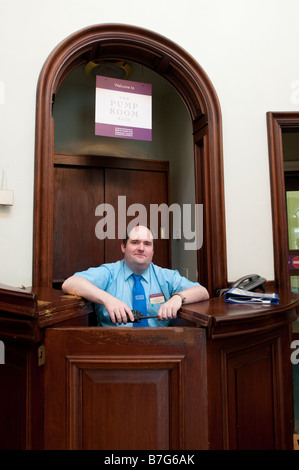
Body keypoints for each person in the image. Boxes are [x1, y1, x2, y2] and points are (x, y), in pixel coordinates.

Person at [62, 225, 209, 327]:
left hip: (160, 350)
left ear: (153, 251)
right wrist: (108, 299)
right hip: (113, 350)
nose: (141, 248)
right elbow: (70, 283)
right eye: (135, 242)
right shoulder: (109, 273)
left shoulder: (165, 276)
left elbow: (202, 291)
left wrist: (178, 298)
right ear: (123, 247)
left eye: (147, 244)